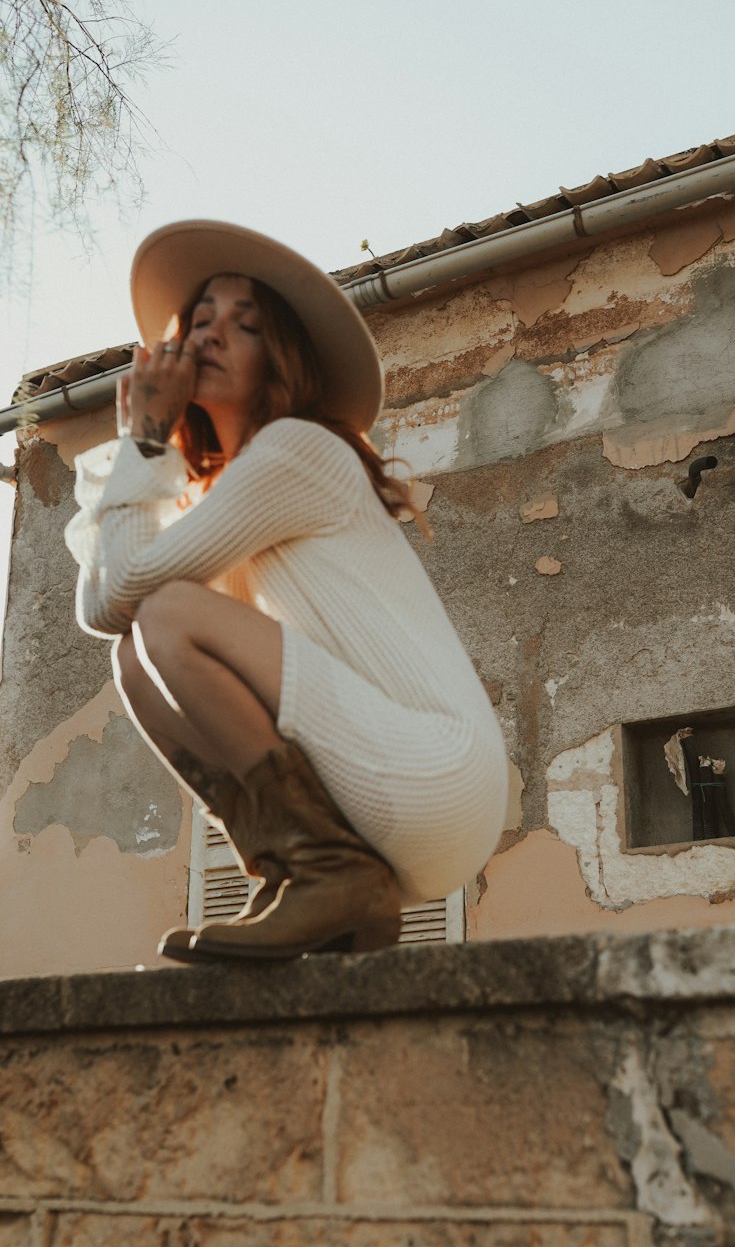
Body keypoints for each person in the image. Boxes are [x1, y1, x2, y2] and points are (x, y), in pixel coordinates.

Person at [65, 220, 507, 964]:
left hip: (435, 771)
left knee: (168, 616)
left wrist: (146, 440)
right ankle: (298, 873)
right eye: (198, 319)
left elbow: (134, 589)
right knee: (138, 657)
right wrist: (150, 458)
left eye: (246, 324)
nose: (212, 334)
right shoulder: (220, 496)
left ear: (283, 356)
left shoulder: (297, 449)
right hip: (384, 795)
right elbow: (103, 611)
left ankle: (330, 872)